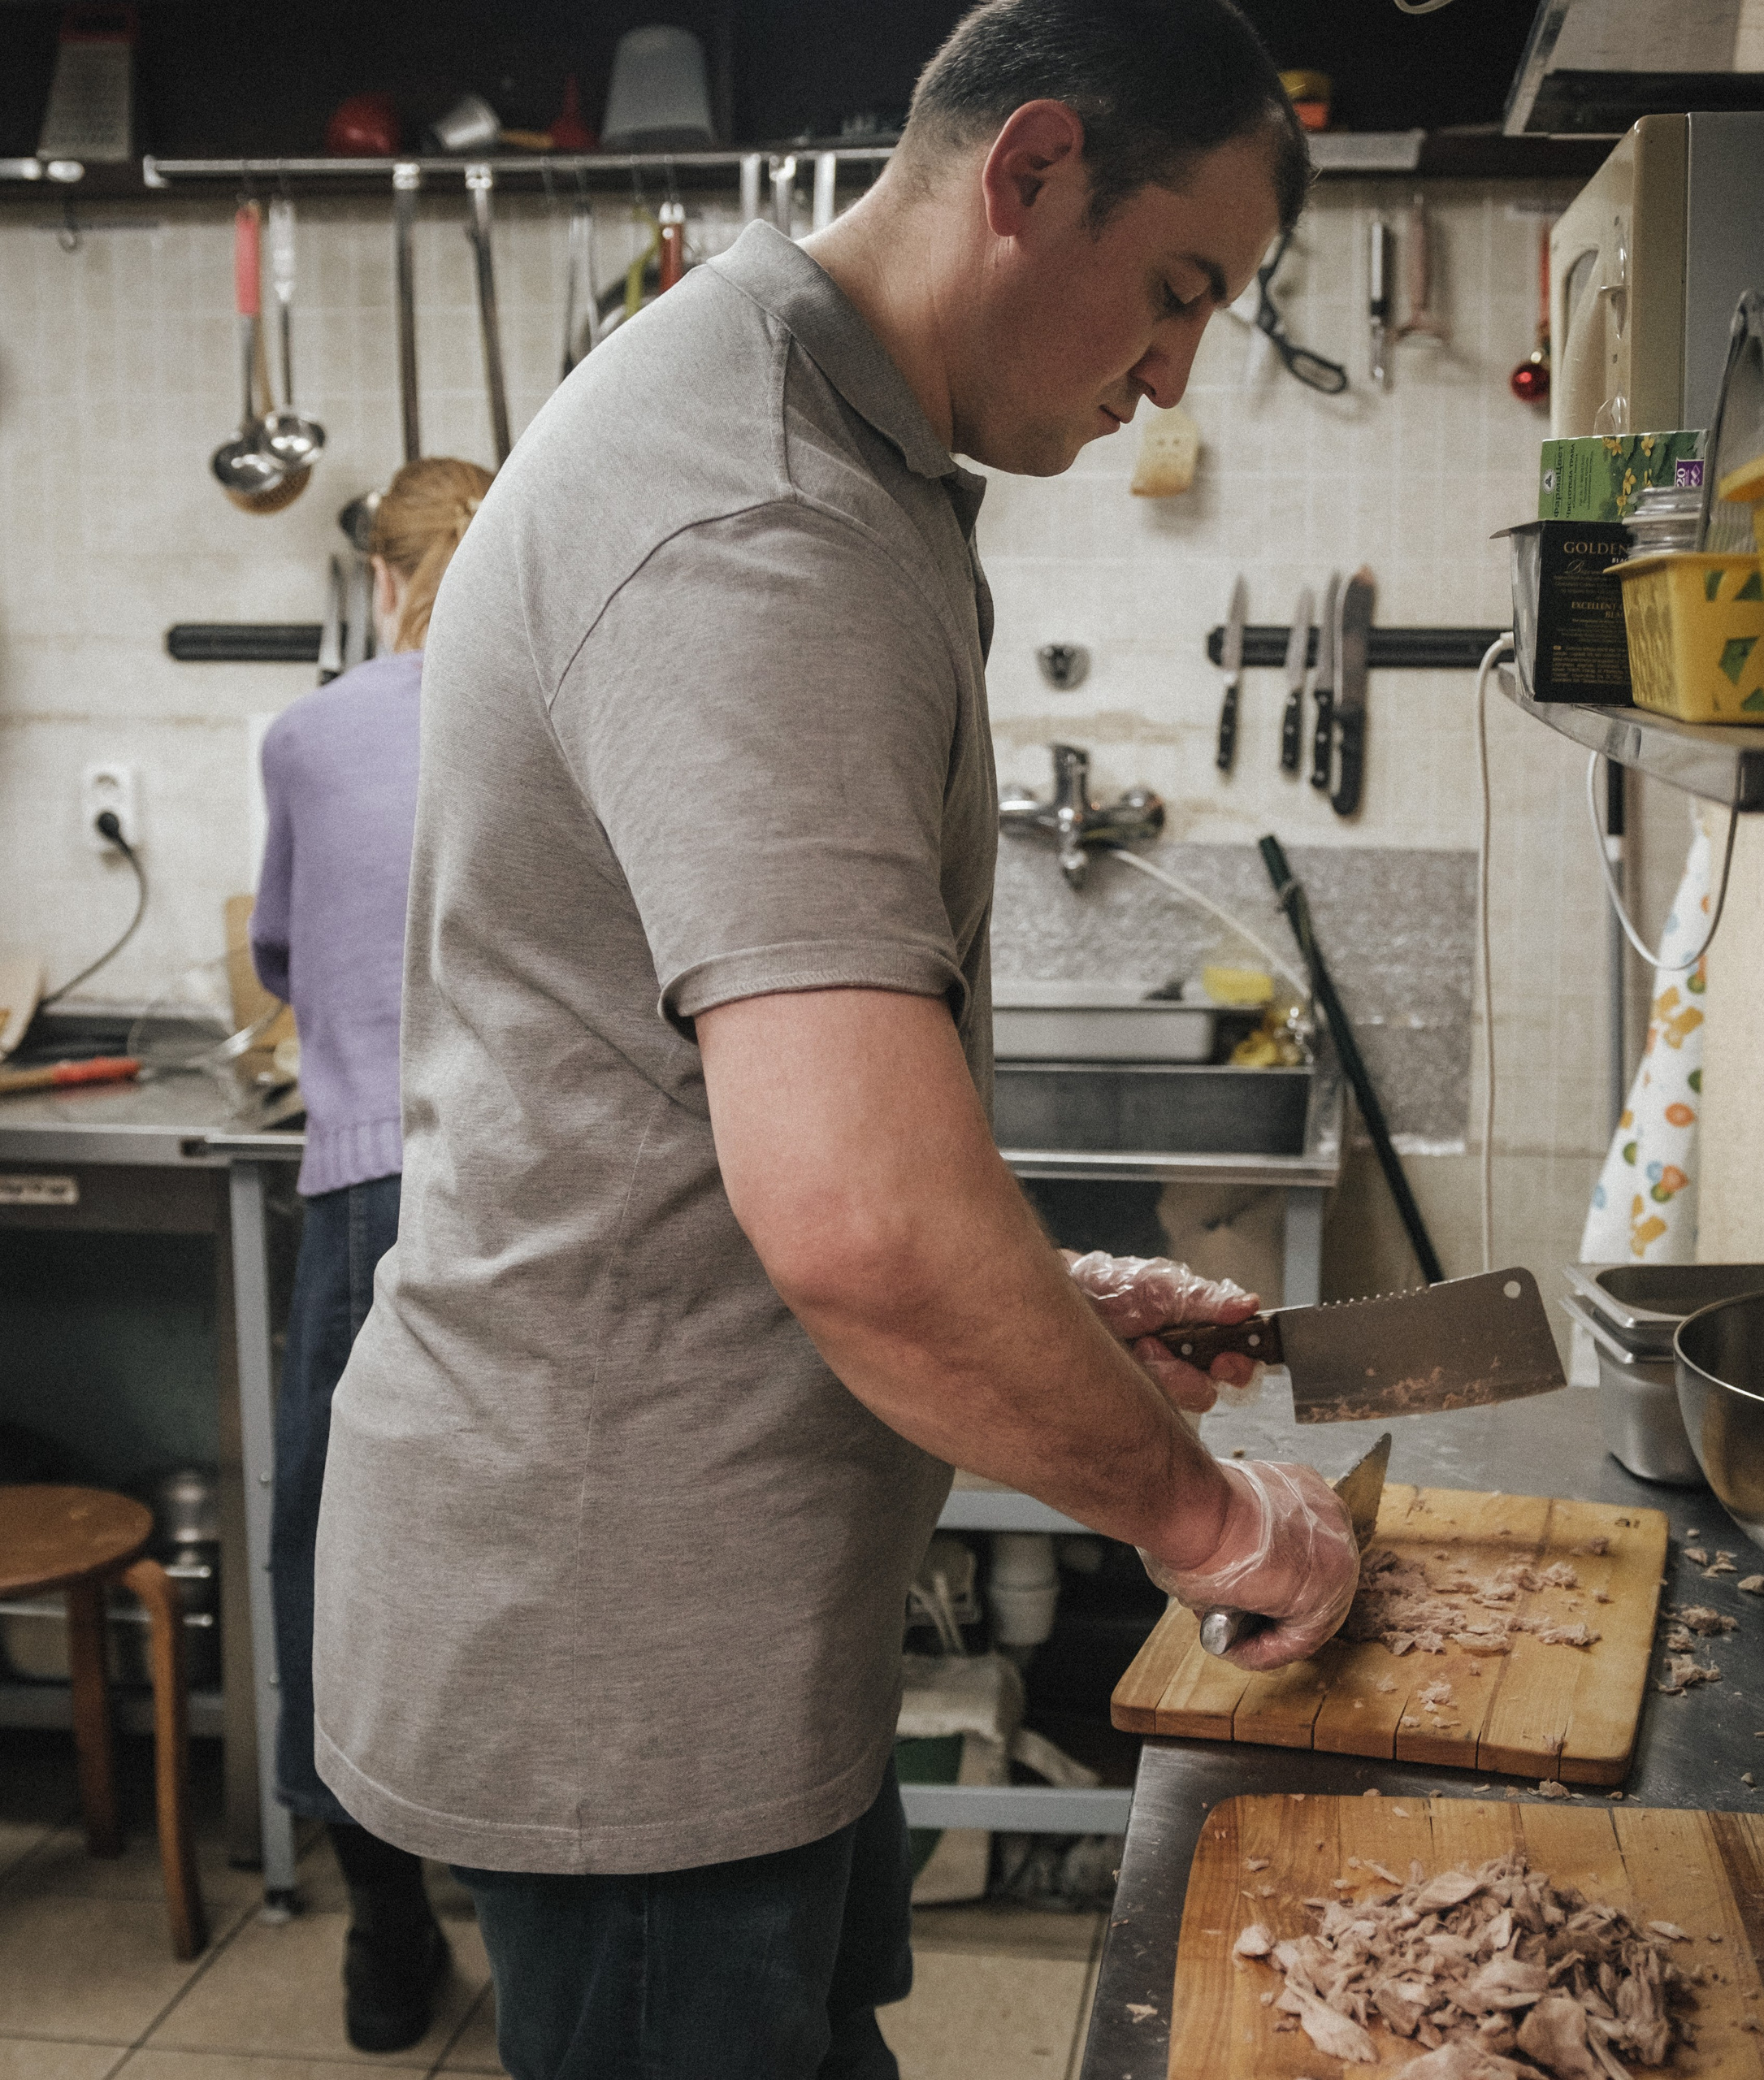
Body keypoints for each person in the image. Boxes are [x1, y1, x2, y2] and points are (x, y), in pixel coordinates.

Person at [311, 4, 1361, 2075]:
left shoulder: (827, 434)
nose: (1173, 373)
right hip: (629, 1631)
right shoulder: (758, 516)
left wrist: (1037, 1312)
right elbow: (861, 1223)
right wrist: (1204, 1517)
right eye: (1172, 292)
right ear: (1028, 169)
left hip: (723, 1589)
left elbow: (713, 1123)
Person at [249, 457, 493, 2055]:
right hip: (527, 1195)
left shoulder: (308, 733)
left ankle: (384, 1940)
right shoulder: (551, 706)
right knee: (518, 1551)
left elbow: (276, 956)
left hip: (362, 1190)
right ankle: (547, 1923)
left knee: (328, 1553)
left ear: (383, 582)